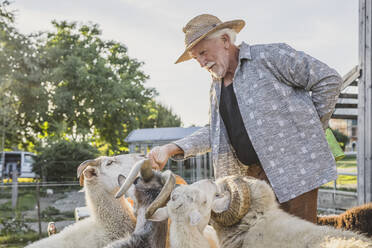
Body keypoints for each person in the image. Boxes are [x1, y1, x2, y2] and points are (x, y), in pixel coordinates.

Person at [147, 14, 343, 223]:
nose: (202, 63)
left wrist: (311, 129)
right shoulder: (216, 88)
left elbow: (328, 79)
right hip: (251, 179)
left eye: (203, 52)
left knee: (301, 240)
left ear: (225, 40)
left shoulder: (268, 56)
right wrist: (170, 148)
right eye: (197, 58)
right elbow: (214, 132)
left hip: (295, 172)